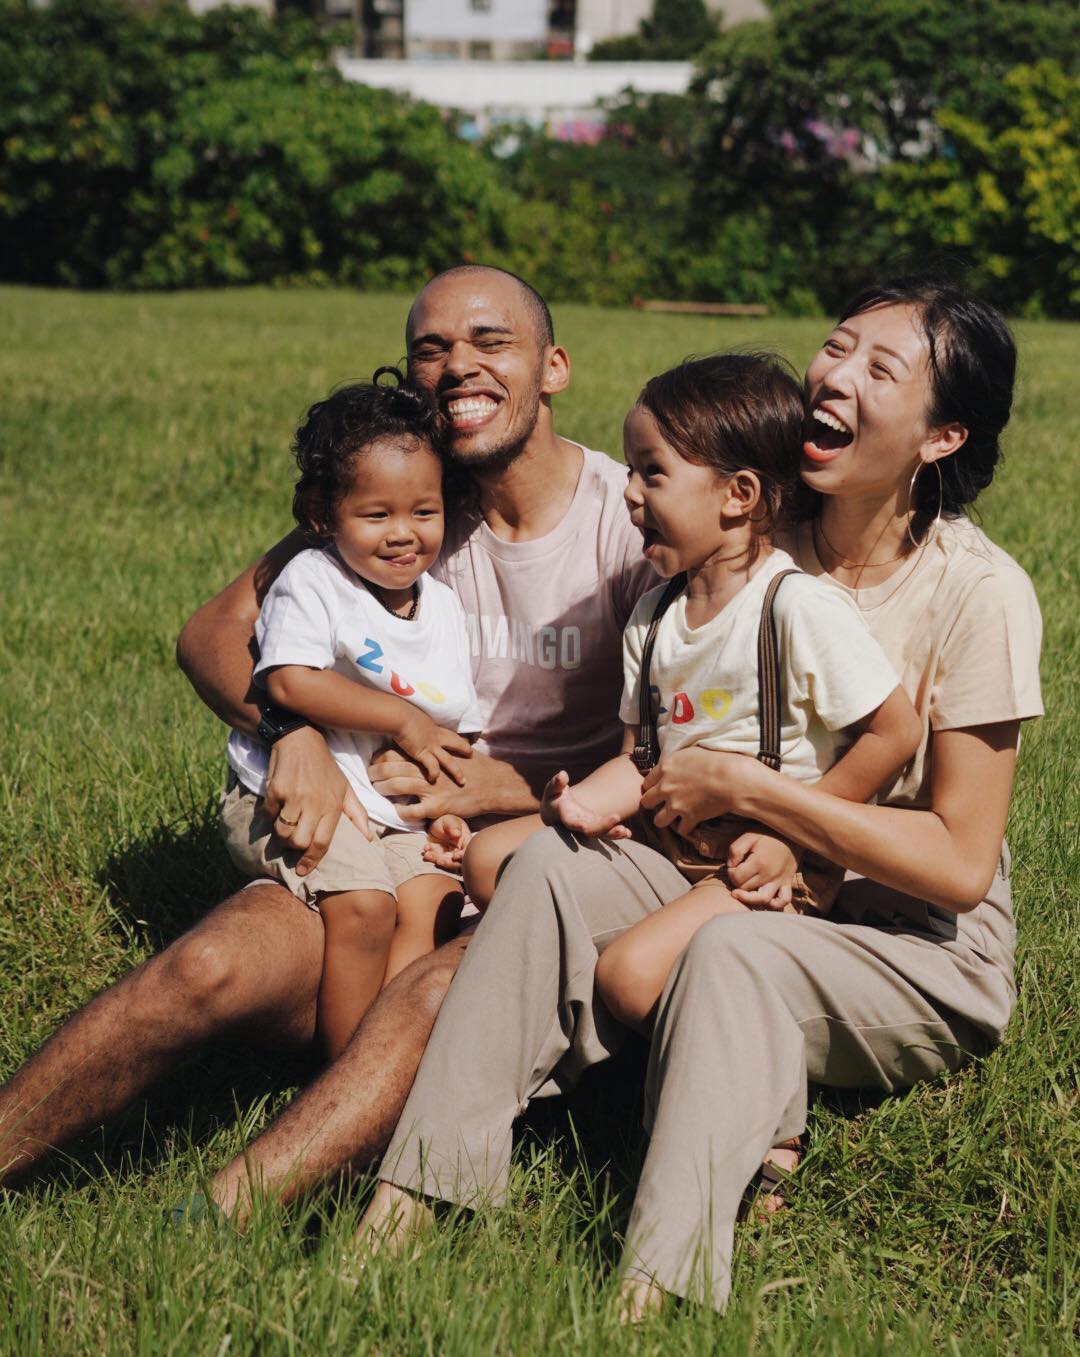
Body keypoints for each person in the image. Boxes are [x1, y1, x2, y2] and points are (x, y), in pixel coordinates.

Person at [357, 276, 1044, 1317]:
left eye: (880, 367)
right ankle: (414, 1200)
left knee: (730, 952)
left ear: (941, 435)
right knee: (545, 870)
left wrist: (767, 805)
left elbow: (957, 859)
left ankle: (659, 1289)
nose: (836, 374)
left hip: (912, 936)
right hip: (722, 872)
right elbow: (661, 730)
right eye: (836, 346)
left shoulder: (975, 591)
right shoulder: (741, 541)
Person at [0, 265, 651, 1217]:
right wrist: (291, 724)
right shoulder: (402, 500)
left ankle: (215, 1226)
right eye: (431, 348)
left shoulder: (629, 519)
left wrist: (505, 791)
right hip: (375, 840)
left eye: (489, 342)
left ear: (552, 366)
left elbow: (679, 751)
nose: (457, 367)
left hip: (532, 861)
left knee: (426, 1000)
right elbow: (212, 636)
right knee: (209, 961)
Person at [221, 377, 483, 1059]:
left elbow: (451, 724)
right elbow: (287, 678)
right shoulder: (314, 580)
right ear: (322, 514)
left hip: (395, 810)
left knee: (431, 899)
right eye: (376, 515)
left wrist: (451, 807)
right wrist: (400, 718)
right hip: (294, 794)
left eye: (423, 511)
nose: (404, 534)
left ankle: (390, 1060)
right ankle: (341, 1079)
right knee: (366, 906)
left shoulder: (444, 608)